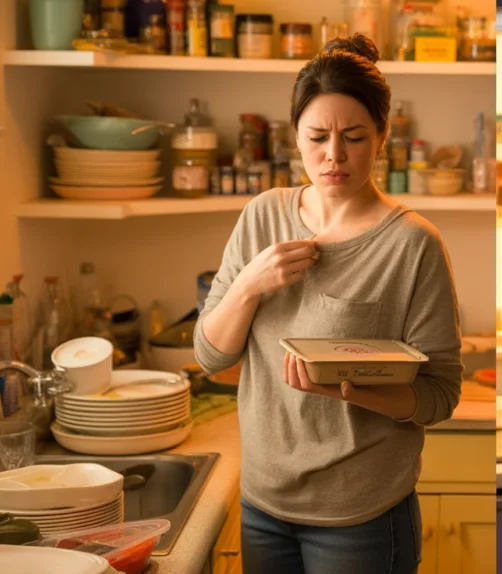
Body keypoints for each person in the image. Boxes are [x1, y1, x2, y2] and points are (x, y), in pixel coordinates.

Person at [194, 34, 463, 574]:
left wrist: (351, 387)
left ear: (383, 137)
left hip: (362, 515)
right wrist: (249, 284)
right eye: (317, 137)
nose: (333, 155)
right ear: (295, 136)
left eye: (354, 137)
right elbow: (211, 356)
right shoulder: (263, 216)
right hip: (263, 504)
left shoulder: (412, 243)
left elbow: (439, 394)